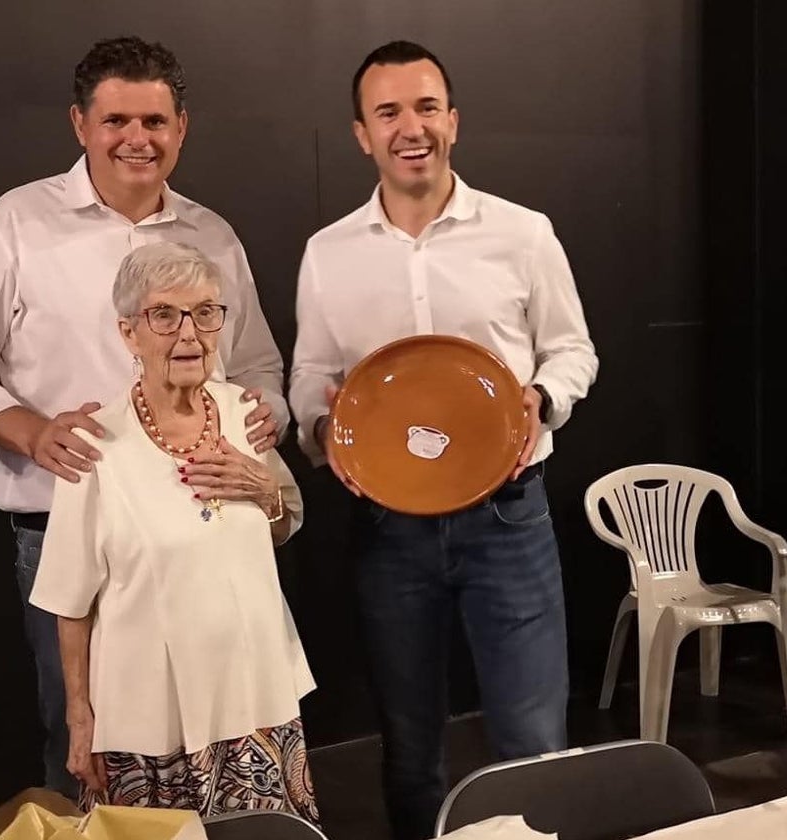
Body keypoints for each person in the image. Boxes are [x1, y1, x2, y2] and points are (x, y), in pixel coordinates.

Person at [0, 36, 286, 796]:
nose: (136, 139)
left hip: (205, 537)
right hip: (66, 536)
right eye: (116, 119)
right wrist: (28, 430)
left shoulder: (212, 237)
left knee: (219, 737)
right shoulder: (18, 224)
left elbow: (258, 371)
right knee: (89, 744)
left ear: (181, 128)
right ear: (79, 124)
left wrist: (259, 426)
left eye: (154, 121)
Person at [289, 41, 599, 840]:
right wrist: (327, 433)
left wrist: (542, 398)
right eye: (388, 111)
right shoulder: (328, 254)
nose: (410, 127)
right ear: (362, 133)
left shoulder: (522, 234)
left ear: (453, 120)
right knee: (409, 751)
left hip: (510, 519)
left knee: (535, 745)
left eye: (426, 107)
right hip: (390, 531)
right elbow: (310, 378)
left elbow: (574, 350)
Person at [29, 241, 317, 821]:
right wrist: (79, 718)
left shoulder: (243, 412)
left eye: (206, 312)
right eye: (165, 315)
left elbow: (284, 523)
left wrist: (263, 489)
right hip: (148, 725)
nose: (189, 335)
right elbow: (68, 599)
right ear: (129, 332)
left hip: (255, 700)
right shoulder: (93, 443)